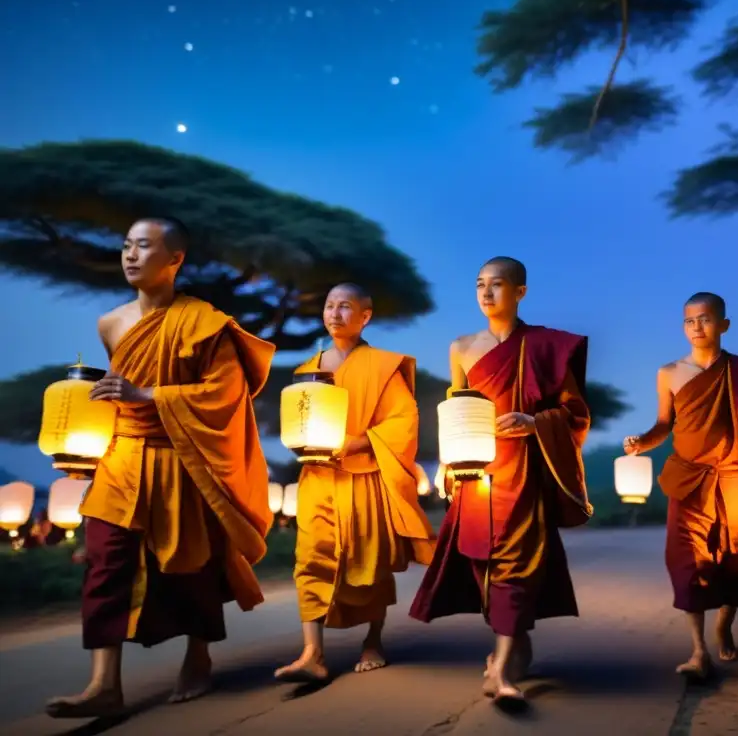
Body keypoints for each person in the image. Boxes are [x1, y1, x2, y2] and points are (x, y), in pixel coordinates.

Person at [45, 218, 275, 719]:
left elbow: (226, 393)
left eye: (143, 246)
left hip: (179, 460)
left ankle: (199, 654)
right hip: (123, 457)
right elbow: (114, 391)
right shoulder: (111, 323)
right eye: (125, 244)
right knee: (106, 566)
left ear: (174, 260)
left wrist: (148, 395)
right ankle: (104, 683)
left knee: (188, 565)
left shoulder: (205, 322)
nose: (130, 254)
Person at [410, 257, 592, 703]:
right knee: (480, 561)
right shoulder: (462, 347)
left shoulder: (546, 346)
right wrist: (447, 463)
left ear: (520, 292)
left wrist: (535, 422)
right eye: (479, 285)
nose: (486, 294)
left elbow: (575, 412)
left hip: (523, 469)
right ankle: (514, 642)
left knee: (516, 562)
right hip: (475, 468)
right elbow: (456, 409)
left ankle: (500, 670)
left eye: (497, 285)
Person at [623, 292, 738, 679]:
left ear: (724, 325)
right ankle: (698, 650)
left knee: (736, 559)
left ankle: (724, 625)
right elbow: (663, 426)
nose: (697, 327)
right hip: (688, 479)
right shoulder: (669, 372)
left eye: (704, 319)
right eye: (689, 321)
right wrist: (641, 441)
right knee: (689, 562)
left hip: (732, 476)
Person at [274, 284, 435, 684]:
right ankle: (312, 652)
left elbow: (403, 421)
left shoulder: (383, 365)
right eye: (329, 305)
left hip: (364, 476)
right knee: (310, 558)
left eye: (345, 307)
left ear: (366, 316)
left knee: (368, 563)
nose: (334, 313)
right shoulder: (307, 370)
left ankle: (373, 639)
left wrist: (356, 442)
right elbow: (297, 421)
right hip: (318, 478)